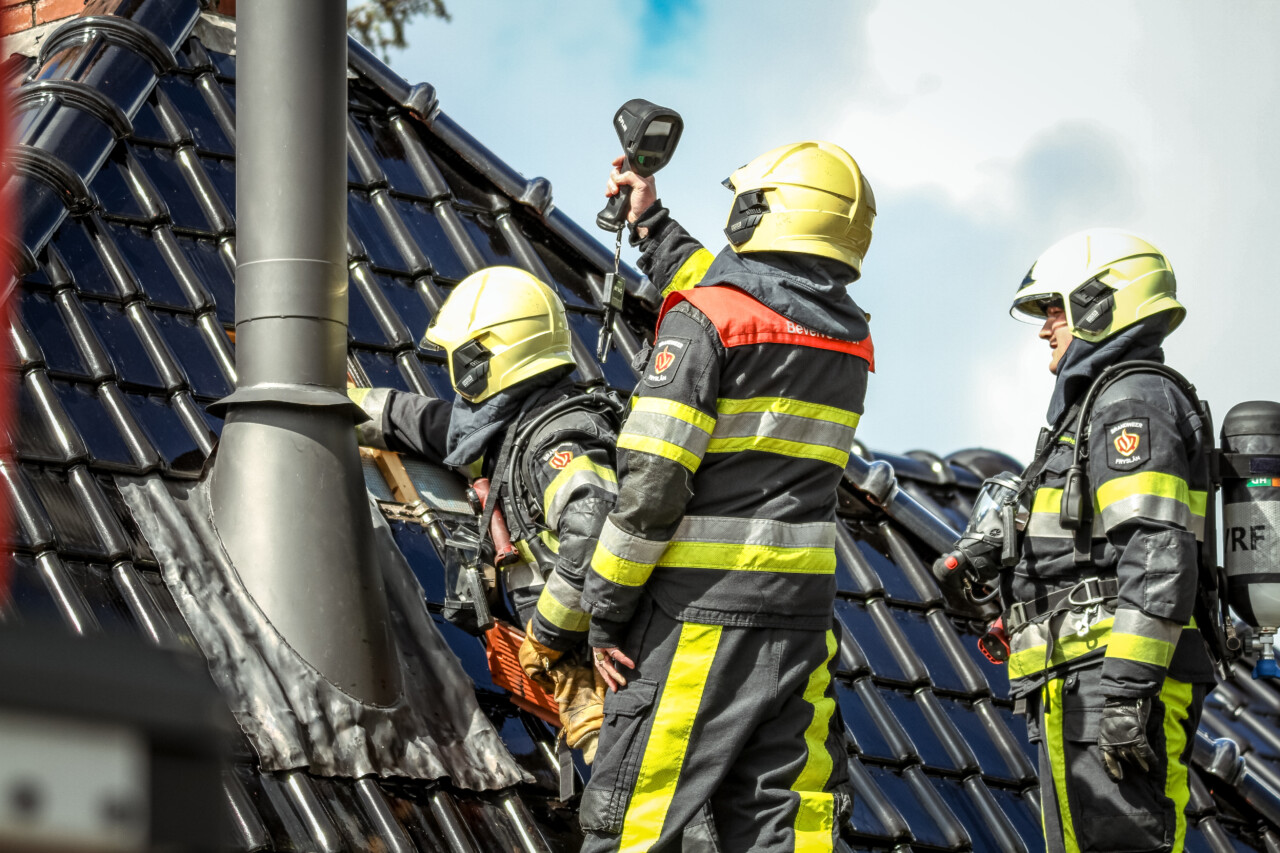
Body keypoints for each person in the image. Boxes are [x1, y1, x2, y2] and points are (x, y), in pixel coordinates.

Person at [577, 141, 876, 852]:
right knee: (791, 825)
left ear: (761, 211)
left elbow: (651, 488)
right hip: (801, 627)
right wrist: (651, 225)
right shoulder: (850, 340)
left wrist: (607, 608)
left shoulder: (704, 321)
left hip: (697, 618)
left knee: (635, 823)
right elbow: (752, 290)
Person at [348, 265, 619, 761]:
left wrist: (550, 634)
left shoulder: (557, 440)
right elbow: (429, 425)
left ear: (486, 358)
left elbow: (595, 535)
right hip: (581, 672)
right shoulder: (516, 428)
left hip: (614, 681)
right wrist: (341, 403)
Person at [1001, 230, 1216, 853]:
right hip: (1083, 681)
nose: (1046, 329)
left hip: (1110, 684)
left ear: (1103, 303)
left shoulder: (1129, 402)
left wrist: (1125, 690)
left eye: (1056, 310)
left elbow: (1156, 549)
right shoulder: (1097, 403)